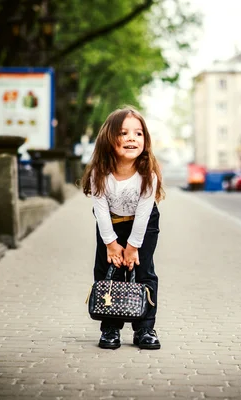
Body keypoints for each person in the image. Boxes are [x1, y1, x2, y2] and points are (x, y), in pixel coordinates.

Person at [81, 106, 165, 350]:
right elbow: (100, 211)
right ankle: (110, 327)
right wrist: (111, 244)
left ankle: (145, 328)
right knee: (108, 270)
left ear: (145, 141)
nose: (132, 138)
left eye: (138, 134)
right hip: (111, 224)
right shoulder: (100, 173)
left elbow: (143, 215)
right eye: (124, 133)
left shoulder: (147, 174)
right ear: (109, 139)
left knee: (144, 271)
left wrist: (132, 248)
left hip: (144, 224)